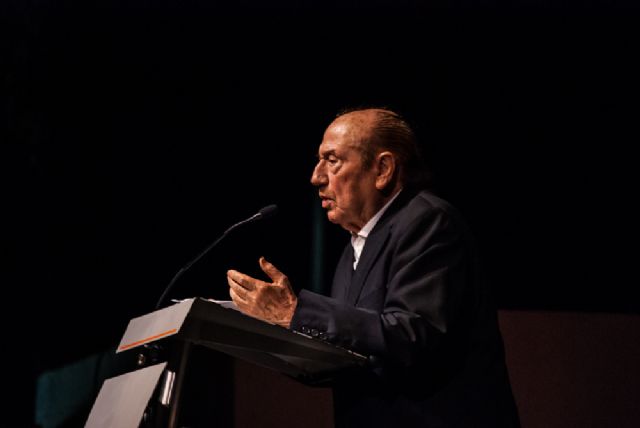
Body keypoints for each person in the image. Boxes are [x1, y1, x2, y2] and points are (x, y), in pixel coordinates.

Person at [226, 107, 520, 427]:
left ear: (383, 168)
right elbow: (354, 351)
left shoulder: (429, 222)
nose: (316, 176)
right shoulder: (353, 248)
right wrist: (276, 337)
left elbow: (411, 336)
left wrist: (296, 312)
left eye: (333, 160)